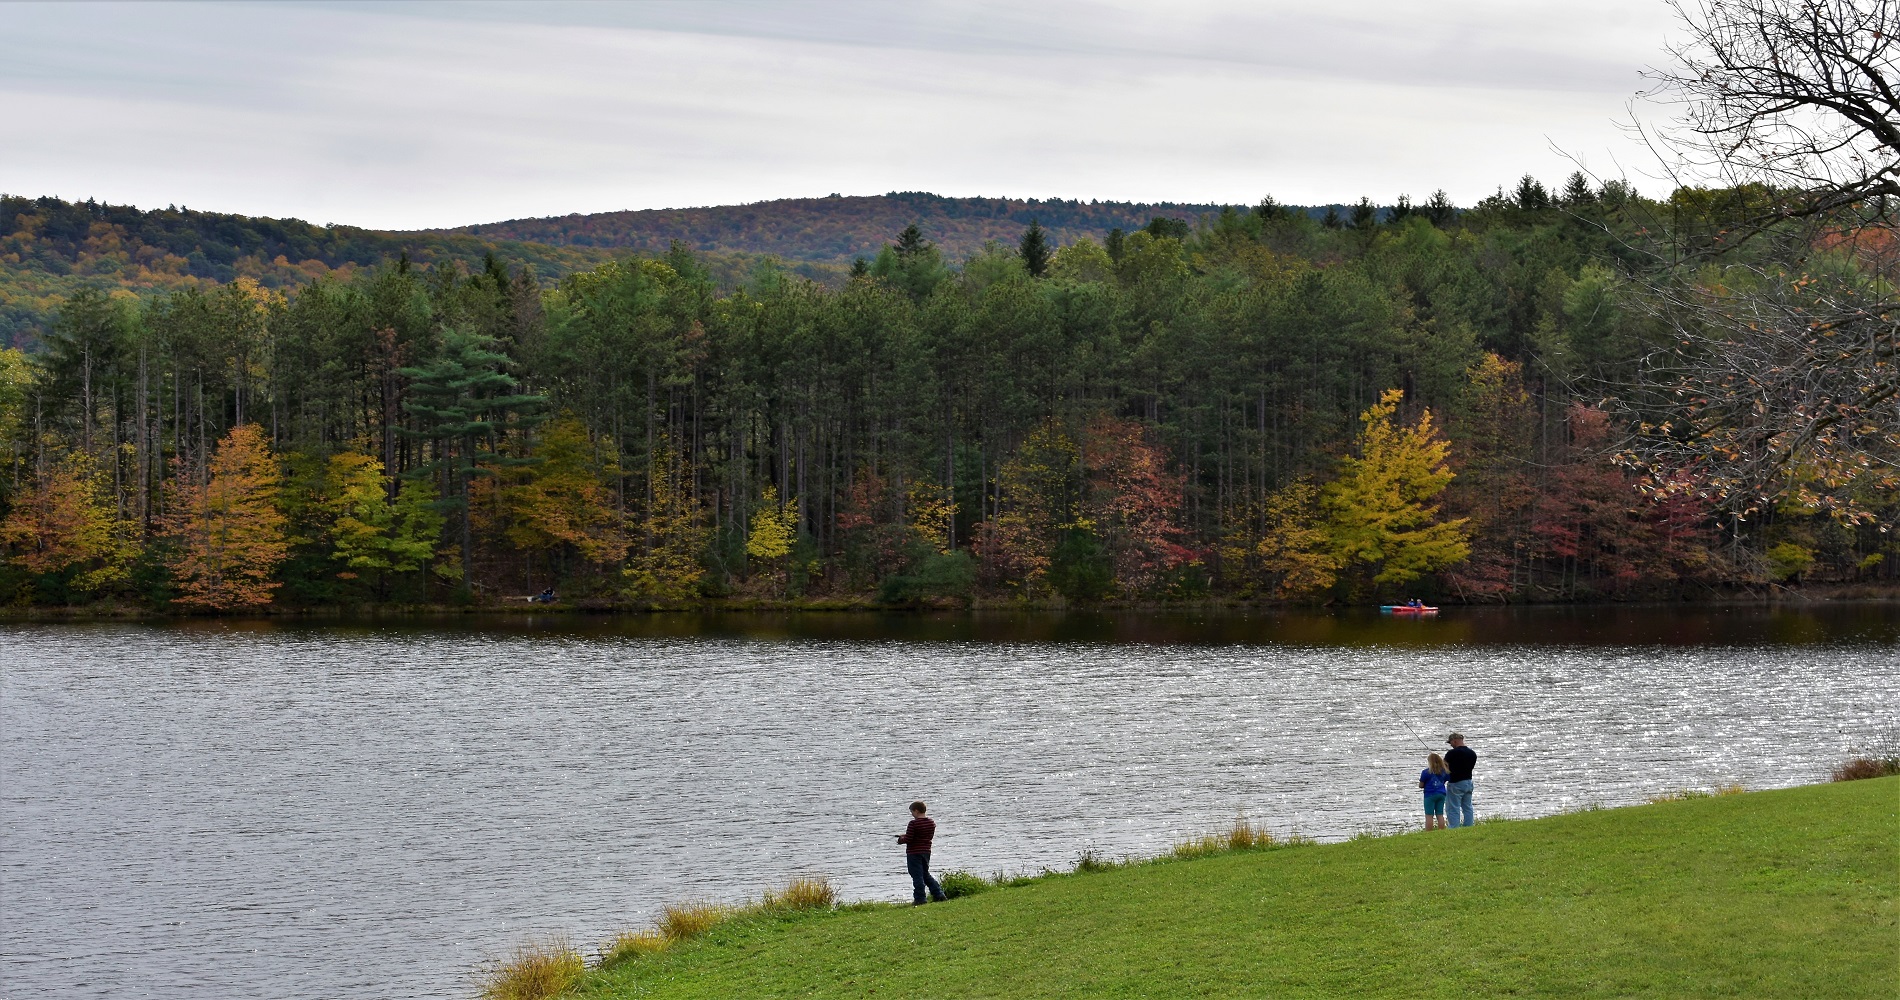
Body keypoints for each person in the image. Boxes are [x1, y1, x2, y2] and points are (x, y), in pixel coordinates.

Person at [896, 800, 945, 904]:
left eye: (912, 812)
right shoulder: (931, 823)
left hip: (914, 853)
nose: (912, 814)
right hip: (926, 851)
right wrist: (906, 835)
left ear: (916, 811)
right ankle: (939, 894)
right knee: (925, 874)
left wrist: (901, 840)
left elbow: (909, 839)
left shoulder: (913, 823)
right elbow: (920, 836)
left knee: (917, 875)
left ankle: (920, 898)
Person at [1444, 732, 1477, 828]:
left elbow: (1444, 766)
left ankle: (1454, 827)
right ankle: (1469, 825)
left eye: (1450, 743)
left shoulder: (1452, 753)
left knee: (1453, 807)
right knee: (1467, 807)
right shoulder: (1472, 753)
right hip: (1468, 782)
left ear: (1454, 741)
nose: (1451, 745)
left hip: (1455, 783)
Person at [1419, 752, 1450, 830]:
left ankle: (1429, 832)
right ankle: (1441, 830)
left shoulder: (1426, 772)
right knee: (1440, 814)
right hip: (1441, 794)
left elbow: (1421, 785)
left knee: (1429, 815)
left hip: (1429, 795)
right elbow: (1447, 779)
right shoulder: (1444, 771)